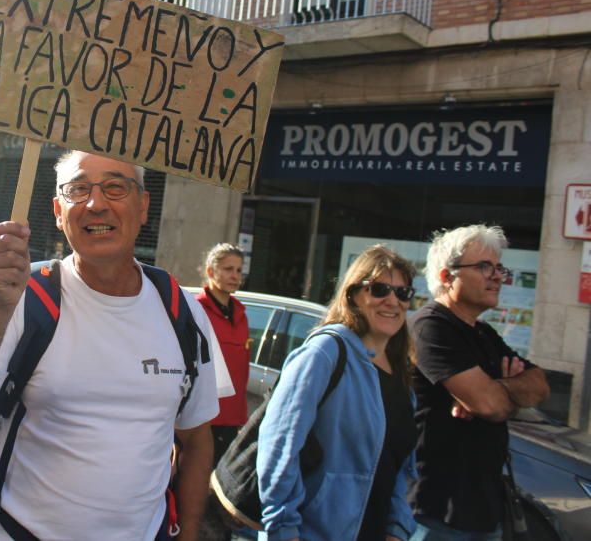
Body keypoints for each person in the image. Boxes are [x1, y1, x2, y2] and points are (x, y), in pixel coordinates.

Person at [0, 150, 226, 541]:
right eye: (78, 189)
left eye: (116, 188)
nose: (96, 204)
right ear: (57, 210)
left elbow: (197, 439)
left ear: (144, 206)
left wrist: (186, 535)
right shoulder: (21, 296)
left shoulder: (181, 309)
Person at [257, 244, 418, 541]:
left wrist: (398, 528)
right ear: (354, 295)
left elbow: (399, 466)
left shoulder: (402, 373)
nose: (392, 301)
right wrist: (284, 528)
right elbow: (280, 444)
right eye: (380, 289)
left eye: (403, 292)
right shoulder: (326, 353)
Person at [409, 225, 549, 541]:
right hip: (435, 514)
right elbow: (489, 405)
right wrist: (496, 395)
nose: (498, 276)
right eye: (485, 266)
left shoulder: (484, 334)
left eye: (499, 267)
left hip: (484, 512)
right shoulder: (431, 328)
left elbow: (540, 384)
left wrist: (495, 389)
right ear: (447, 277)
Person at [196, 243, 248, 465]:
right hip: (202, 418)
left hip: (232, 417)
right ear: (210, 271)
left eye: (238, 270)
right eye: (228, 269)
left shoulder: (241, 313)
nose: (235, 276)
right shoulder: (196, 309)